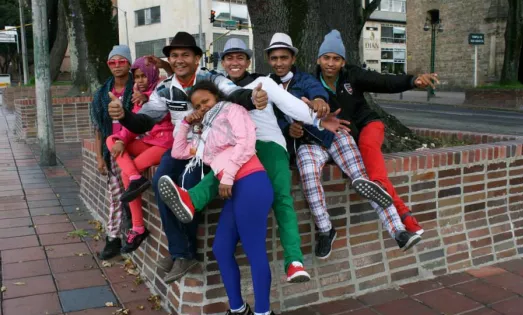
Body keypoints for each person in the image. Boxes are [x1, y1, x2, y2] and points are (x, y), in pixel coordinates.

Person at [154, 38, 350, 283]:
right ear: (223, 62)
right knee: (220, 172)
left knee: (281, 197)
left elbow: (292, 106)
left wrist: (318, 120)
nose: (234, 62)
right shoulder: (217, 93)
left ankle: (294, 261)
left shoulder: (263, 82)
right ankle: (191, 201)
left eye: (240, 57)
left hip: (267, 144)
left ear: (249, 61)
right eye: (229, 58)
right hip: (235, 150)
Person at [107, 32, 269, 284]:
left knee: (189, 185)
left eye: (185, 55)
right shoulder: (164, 88)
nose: (179, 60)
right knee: (162, 181)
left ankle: (185, 254)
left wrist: (252, 98)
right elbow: (144, 120)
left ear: (196, 59)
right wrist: (124, 115)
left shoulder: (211, 78)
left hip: (212, 147)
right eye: (174, 55)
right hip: (181, 146)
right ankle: (180, 252)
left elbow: (234, 94)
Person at [266, 33, 421, 258]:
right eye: (274, 58)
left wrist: (319, 102)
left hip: (334, 135)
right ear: (268, 60)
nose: (279, 62)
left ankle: (398, 230)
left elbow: (316, 93)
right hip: (308, 143)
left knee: (361, 177)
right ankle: (326, 230)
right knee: (309, 177)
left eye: (284, 57)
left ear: (292, 58)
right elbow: (272, 117)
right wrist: (288, 129)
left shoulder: (305, 78)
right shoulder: (267, 84)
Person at [159, 81, 276, 315]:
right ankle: (238, 309)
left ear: (217, 97)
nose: (202, 107)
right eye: (197, 105)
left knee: (254, 251)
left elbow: (246, 142)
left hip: (251, 182)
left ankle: (263, 312)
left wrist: (229, 175)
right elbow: (178, 152)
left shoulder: (232, 110)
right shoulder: (204, 134)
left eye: (206, 101)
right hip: (233, 190)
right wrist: (185, 123)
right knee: (221, 249)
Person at [315, 30, 440, 236]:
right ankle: (408, 218)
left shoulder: (352, 75)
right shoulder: (311, 83)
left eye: (336, 59)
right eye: (326, 58)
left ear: (343, 62)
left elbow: (383, 81)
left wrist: (412, 81)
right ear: (319, 59)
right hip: (345, 138)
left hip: (369, 126)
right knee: (374, 173)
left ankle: (380, 188)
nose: (330, 63)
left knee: (370, 153)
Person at [105, 56, 174, 253]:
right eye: (137, 77)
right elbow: (134, 124)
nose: (141, 80)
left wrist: (148, 97)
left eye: (144, 76)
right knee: (111, 140)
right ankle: (136, 177)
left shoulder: (162, 89)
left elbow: (163, 108)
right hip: (150, 142)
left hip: (166, 144)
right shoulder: (137, 94)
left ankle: (138, 227)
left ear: (153, 74)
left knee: (126, 174)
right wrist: (121, 141)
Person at [90, 45, 141, 260]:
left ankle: (129, 232)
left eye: (122, 61)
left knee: (131, 192)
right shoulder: (102, 93)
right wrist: (100, 157)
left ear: (129, 63)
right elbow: (99, 129)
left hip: (135, 148)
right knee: (115, 195)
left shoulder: (139, 87)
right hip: (112, 150)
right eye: (113, 62)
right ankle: (113, 238)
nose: (117, 65)